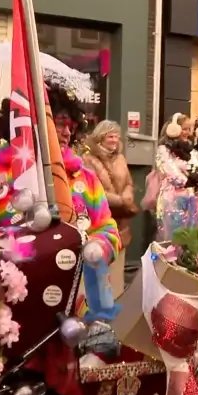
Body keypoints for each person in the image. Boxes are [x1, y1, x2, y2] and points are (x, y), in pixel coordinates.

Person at [0, 83, 120, 269]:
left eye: (71, 126)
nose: (67, 133)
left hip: (72, 282)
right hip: (10, 282)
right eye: (59, 124)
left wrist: (95, 249)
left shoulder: (84, 178)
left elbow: (107, 230)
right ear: (30, 127)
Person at [82, 120, 138, 297]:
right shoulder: (88, 159)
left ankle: (116, 301)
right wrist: (120, 200)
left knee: (117, 271)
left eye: (116, 136)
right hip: (100, 221)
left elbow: (128, 182)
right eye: (110, 136)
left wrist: (128, 195)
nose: (114, 140)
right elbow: (93, 189)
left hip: (121, 221)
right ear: (100, 137)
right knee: (99, 270)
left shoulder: (120, 158)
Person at [155, 112, 198, 241]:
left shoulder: (192, 151)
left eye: (189, 129)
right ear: (174, 129)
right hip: (172, 200)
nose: (187, 133)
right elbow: (170, 171)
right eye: (184, 129)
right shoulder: (164, 149)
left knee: (190, 240)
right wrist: (188, 180)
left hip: (191, 200)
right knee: (172, 239)